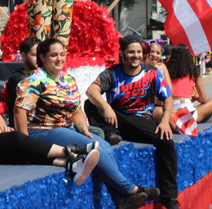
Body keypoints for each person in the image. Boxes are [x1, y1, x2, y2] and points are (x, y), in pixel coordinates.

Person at [15, 38, 160, 209]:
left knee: (103, 145)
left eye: (62, 54)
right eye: (54, 55)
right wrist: (24, 142)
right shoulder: (35, 79)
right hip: (41, 130)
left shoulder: (68, 79)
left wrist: (84, 130)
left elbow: (76, 111)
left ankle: (120, 200)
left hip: (65, 128)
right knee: (95, 146)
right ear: (43, 57)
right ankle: (130, 189)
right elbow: (20, 111)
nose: (59, 59)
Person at [85, 36, 178, 209]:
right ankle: (111, 133)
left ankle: (169, 197)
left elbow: (168, 97)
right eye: (131, 52)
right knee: (90, 103)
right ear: (122, 53)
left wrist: (165, 120)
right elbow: (91, 90)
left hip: (141, 122)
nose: (136, 55)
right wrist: (106, 106)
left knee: (166, 141)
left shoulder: (152, 72)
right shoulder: (112, 73)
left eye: (139, 52)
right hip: (117, 121)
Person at [0, 83, 99, 185]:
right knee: (16, 138)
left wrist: (3, 127)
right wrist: (1, 132)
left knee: (22, 149)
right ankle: (71, 150)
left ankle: (70, 163)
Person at [166, 44, 212, 124]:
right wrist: (195, 96)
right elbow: (203, 99)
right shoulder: (193, 72)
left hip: (170, 108)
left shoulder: (166, 70)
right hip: (186, 109)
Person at [6, 37, 40, 127]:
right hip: (27, 128)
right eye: (35, 55)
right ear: (24, 56)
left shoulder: (47, 75)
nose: (39, 59)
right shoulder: (16, 77)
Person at [146, 39, 174, 127]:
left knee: (176, 114)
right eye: (152, 52)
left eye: (158, 53)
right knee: (172, 122)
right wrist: (154, 98)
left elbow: (170, 89)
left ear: (161, 55)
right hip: (148, 106)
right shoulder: (141, 67)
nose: (155, 55)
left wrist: (162, 97)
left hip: (162, 103)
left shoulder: (162, 67)